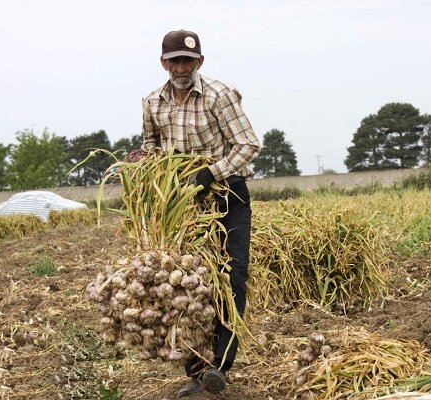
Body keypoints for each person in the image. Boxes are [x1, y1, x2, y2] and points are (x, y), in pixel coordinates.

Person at [140, 29, 260, 397]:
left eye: (188, 61)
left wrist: (211, 173)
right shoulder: (152, 102)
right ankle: (195, 369)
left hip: (226, 197)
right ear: (163, 63)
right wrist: (145, 164)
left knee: (230, 278)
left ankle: (220, 367)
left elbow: (248, 144)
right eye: (174, 60)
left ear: (200, 63)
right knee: (183, 283)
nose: (181, 67)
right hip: (182, 206)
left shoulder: (219, 96)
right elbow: (151, 145)